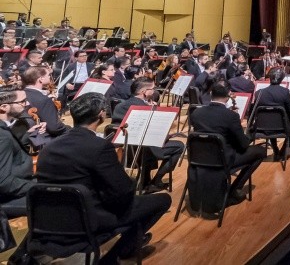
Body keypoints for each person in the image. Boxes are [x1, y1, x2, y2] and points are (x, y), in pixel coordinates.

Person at [34, 92, 171, 262]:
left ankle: (129, 242)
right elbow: (121, 191)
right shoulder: (99, 146)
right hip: (88, 218)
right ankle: (115, 255)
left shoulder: (49, 147)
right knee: (162, 200)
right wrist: (131, 182)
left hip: (50, 216)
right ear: (101, 114)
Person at [189, 81, 267, 208]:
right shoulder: (231, 116)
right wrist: (249, 135)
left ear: (210, 94)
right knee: (260, 152)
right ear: (228, 96)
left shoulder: (196, 113)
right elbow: (243, 145)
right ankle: (234, 189)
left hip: (199, 158)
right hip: (222, 159)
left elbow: (212, 126)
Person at [112, 78, 185, 193]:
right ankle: (156, 181)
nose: (155, 91)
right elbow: (156, 133)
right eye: (153, 89)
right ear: (144, 92)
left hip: (124, 150)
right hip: (144, 150)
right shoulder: (147, 109)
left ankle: (145, 180)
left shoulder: (120, 106)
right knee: (180, 146)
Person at [0, 89, 35, 218]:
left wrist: (28, 135)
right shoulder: (3, 136)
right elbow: (3, 182)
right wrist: (36, 186)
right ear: (4, 107)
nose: (27, 104)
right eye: (22, 102)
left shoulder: (4, 129)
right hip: (6, 199)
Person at [252, 67, 290, 156]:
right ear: (281, 79)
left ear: (270, 78)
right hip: (281, 128)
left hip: (262, 127)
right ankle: (287, 146)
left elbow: (253, 113)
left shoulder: (259, 93)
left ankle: (275, 148)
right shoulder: (285, 92)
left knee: (271, 121)